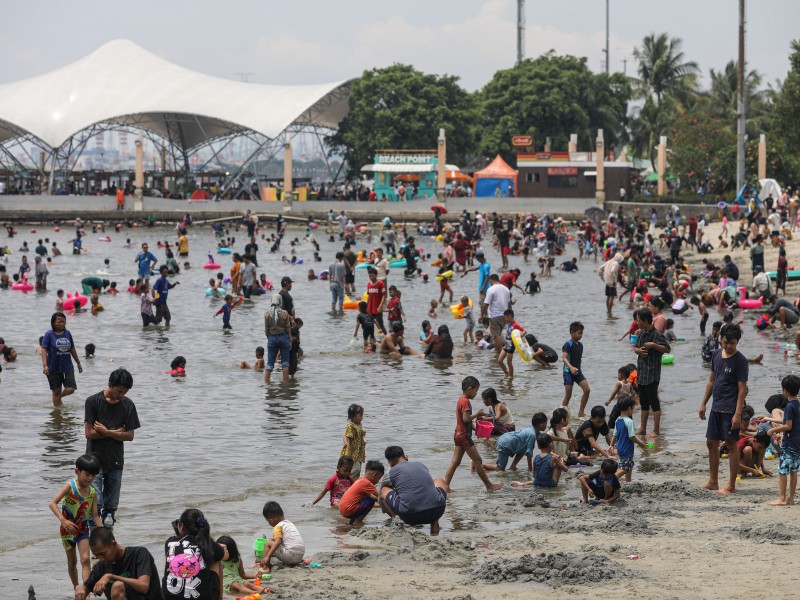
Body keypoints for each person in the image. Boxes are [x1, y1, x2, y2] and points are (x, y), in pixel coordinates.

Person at [84, 368, 139, 528]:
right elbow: (89, 434)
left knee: (110, 510)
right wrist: (116, 432)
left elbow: (129, 436)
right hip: (94, 461)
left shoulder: (128, 405)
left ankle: (107, 546)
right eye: (119, 391)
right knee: (96, 505)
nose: (121, 395)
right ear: (110, 384)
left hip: (116, 461)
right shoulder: (93, 401)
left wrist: (106, 431)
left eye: (125, 392)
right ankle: (94, 543)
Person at [699, 323, 749, 495]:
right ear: (720, 340)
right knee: (711, 442)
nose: (728, 345)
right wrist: (703, 403)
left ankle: (731, 485)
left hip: (730, 409)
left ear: (737, 342)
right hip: (716, 407)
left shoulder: (741, 361)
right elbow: (711, 381)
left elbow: (742, 388)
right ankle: (713, 481)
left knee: (731, 444)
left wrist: (737, 414)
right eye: (726, 341)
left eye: (732, 343)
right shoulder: (717, 355)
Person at [443, 376, 504, 493]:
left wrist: (476, 429)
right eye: (476, 390)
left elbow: (464, 420)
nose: (476, 394)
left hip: (458, 434)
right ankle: (489, 486)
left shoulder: (461, 399)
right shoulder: (465, 401)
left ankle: (446, 487)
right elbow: (466, 419)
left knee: (455, 462)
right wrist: (477, 414)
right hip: (464, 436)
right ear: (469, 389)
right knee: (478, 461)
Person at [49, 454, 102, 589]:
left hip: (83, 529)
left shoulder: (92, 493)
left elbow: (95, 516)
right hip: (67, 530)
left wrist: (103, 529)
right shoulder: (70, 486)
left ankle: (85, 590)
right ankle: (76, 587)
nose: (90, 478)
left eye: (94, 475)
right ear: (77, 472)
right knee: (72, 561)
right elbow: (53, 503)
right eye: (87, 474)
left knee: (85, 560)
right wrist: (63, 520)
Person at [75, 527, 162, 600]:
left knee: (117, 586)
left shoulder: (139, 553)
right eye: (97, 556)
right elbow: (86, 587)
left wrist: (111, 576)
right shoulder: (100, 567)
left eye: (103, 554)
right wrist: (81, 589)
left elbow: (143, 586)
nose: (101, 559)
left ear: (114, 544)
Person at [381, 446, 448, 533]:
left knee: (384, 490)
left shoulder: (390, 472)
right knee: (439, 480)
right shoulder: (420, 464)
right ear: (406, 457)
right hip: (437, 511)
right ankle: (435, 524)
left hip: (410, 516)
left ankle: (400, 522)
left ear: (389, 462)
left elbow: (381, 496)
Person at [163, 508, 224, 599]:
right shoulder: (207, 544)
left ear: (181, 526)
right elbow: (221, 554)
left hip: (167, 597)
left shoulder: (170, 542)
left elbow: (182, 548)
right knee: (216, 559)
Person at [634, 308, 670, 437]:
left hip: (652, 374)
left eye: (639, 320)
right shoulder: (641, 333)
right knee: (643, 402)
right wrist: (638, 351)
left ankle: (656, 430)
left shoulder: (657, 334)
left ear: (645, 321)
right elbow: (635, 347)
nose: (637, 323)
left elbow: (667, 349)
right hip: (642, 373)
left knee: (654, 402)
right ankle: (643, 428)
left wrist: (654, 345)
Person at [767, 375, 800, 505]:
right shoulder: (797, 404)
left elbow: (788, 425)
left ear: (785, 390)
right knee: (794, 470)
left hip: (790, 443)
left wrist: (773, 430)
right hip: (797, 442)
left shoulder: (789, 406)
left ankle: (781, 497)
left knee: (783, 469)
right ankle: (790, 497)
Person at [42, 312, 83, 407]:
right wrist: (45, 365)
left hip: (67, 366)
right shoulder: (49, 334)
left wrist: (78, 363)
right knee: (56, 391)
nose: (62, 324)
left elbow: (72, 348)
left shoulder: (67, 333)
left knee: (71, 388)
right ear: (53, 323)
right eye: (59, 322)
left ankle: (58, 398)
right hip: (53, 367)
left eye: (63, 322)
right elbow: (44, 349)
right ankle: (57, 416)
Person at [483, 413, 548, 471]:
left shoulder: (532, 430)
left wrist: (558, 438)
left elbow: (547, 437)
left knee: (524, 448)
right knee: (500, 469)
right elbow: (529, 453)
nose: (546, 426)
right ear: (541, 425)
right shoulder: (532, 434)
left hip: (505, 438)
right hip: (505, 444)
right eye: (546, 423)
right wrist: (530, 469)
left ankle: (513, 466)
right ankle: (479, 464)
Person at [259, 501, 305, 572]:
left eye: (267, 520)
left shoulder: (277, 526)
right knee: (272, 541)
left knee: (267, 544)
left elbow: (278, 541)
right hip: (300, 556)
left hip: (290, 556)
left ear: (272, 519)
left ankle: (265, 567)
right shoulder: (289, 524)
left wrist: (268, 556)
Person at [610, 398, 648, 481]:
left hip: (620, 447)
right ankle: (611, 480)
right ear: (629, 408)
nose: (633, 410)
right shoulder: (629, 421)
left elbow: (615, 434)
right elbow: (632, 437)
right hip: (627, 448)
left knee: (628, 465)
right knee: (625, 468)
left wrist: (611, 445)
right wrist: (641, 444)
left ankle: (628, 481)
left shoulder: (618, 419)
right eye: (633, 408)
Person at [338, 460, 384, 524]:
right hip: (349, 510)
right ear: (374, 475)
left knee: (366, 499)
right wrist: (386, 503)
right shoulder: (367, 483)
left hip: (343, 510)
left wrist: (380, 503)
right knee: (371, 501)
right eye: (378, 478)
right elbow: (380, 496)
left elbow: (371, 496)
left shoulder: (360, 480)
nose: (378, 481)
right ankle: (358, 521)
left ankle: (352, 522)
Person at [562, 321, 591, 417]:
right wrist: (570, 368)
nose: (580, 335)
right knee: (568, 395)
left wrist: (577, 369)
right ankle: (563, 415)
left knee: (587, 390)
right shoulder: (568, 344)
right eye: (579, 333)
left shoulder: (580, 345)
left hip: (578, 372)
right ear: (572, 332)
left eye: (581, 333)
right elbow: (564, 358)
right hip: (568, 372)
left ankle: (581, 412)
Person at [264, 294, 291, 383]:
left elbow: (266, 329)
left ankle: (267, 384)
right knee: (285, 363)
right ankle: (285, 385)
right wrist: (289, 340)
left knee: (270, 364)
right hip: (283, 337)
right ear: (280, 301)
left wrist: (270, 339)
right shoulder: (284, 313)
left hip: (272, 337)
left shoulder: (267, 314)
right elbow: (287, 328)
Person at [481, 274, 511, 352]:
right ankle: (499, 351)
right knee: (499, 334)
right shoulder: (506, 289)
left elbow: (486, 304)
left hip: (495, 316)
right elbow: (508, 303)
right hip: (504, 316)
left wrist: (481, 315)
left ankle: (499, 354)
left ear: (491, 281)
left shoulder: (491, 289)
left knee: (496, 336)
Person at [498, 308, 526, 377]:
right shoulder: (508, 324)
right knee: (499, 361)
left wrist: (521, 335)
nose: (505, 319)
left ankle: (511, 377)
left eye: (505, 317)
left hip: (511, 345)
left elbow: (524, 331)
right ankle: (507, 373)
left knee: (509, 362)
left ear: (510, 316)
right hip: (506, 344)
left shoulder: (515, 325)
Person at [341, 404, 366, 479]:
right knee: (355, 468)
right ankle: (346, 479)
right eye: (360, 415)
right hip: (351, 451)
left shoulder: (359, 424)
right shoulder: (351, 426)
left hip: (359, 451)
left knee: (358, 469)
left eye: (362, 415)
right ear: (352, 416)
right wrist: (346, 442)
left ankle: (354, 484)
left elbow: (360, 435)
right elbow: (345, 435)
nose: (361, 417)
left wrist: (363, 440)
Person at [598, 252, 624, 317]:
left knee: (608, 296)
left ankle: (608, 311)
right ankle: (610, 312)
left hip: (607, 281)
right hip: (612, 282)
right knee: (611, 297)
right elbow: (612, 271)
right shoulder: (616, 263)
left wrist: (602, 277)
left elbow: (600, 269)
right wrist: (614, 280)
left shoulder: (609, 261)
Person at [366, 267, 387, 335]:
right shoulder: (369, 284)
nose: (371, 277)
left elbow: (384, 295)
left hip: (378, 309)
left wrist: (381, 306)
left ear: (376, 275)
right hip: (370, 309)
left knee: (380, 325)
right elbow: (368, 295)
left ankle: (387, 336)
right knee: (369, 325)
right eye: (370, 276)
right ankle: (371, 340)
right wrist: (367, 306)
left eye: (372, 275)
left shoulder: (380, 283)